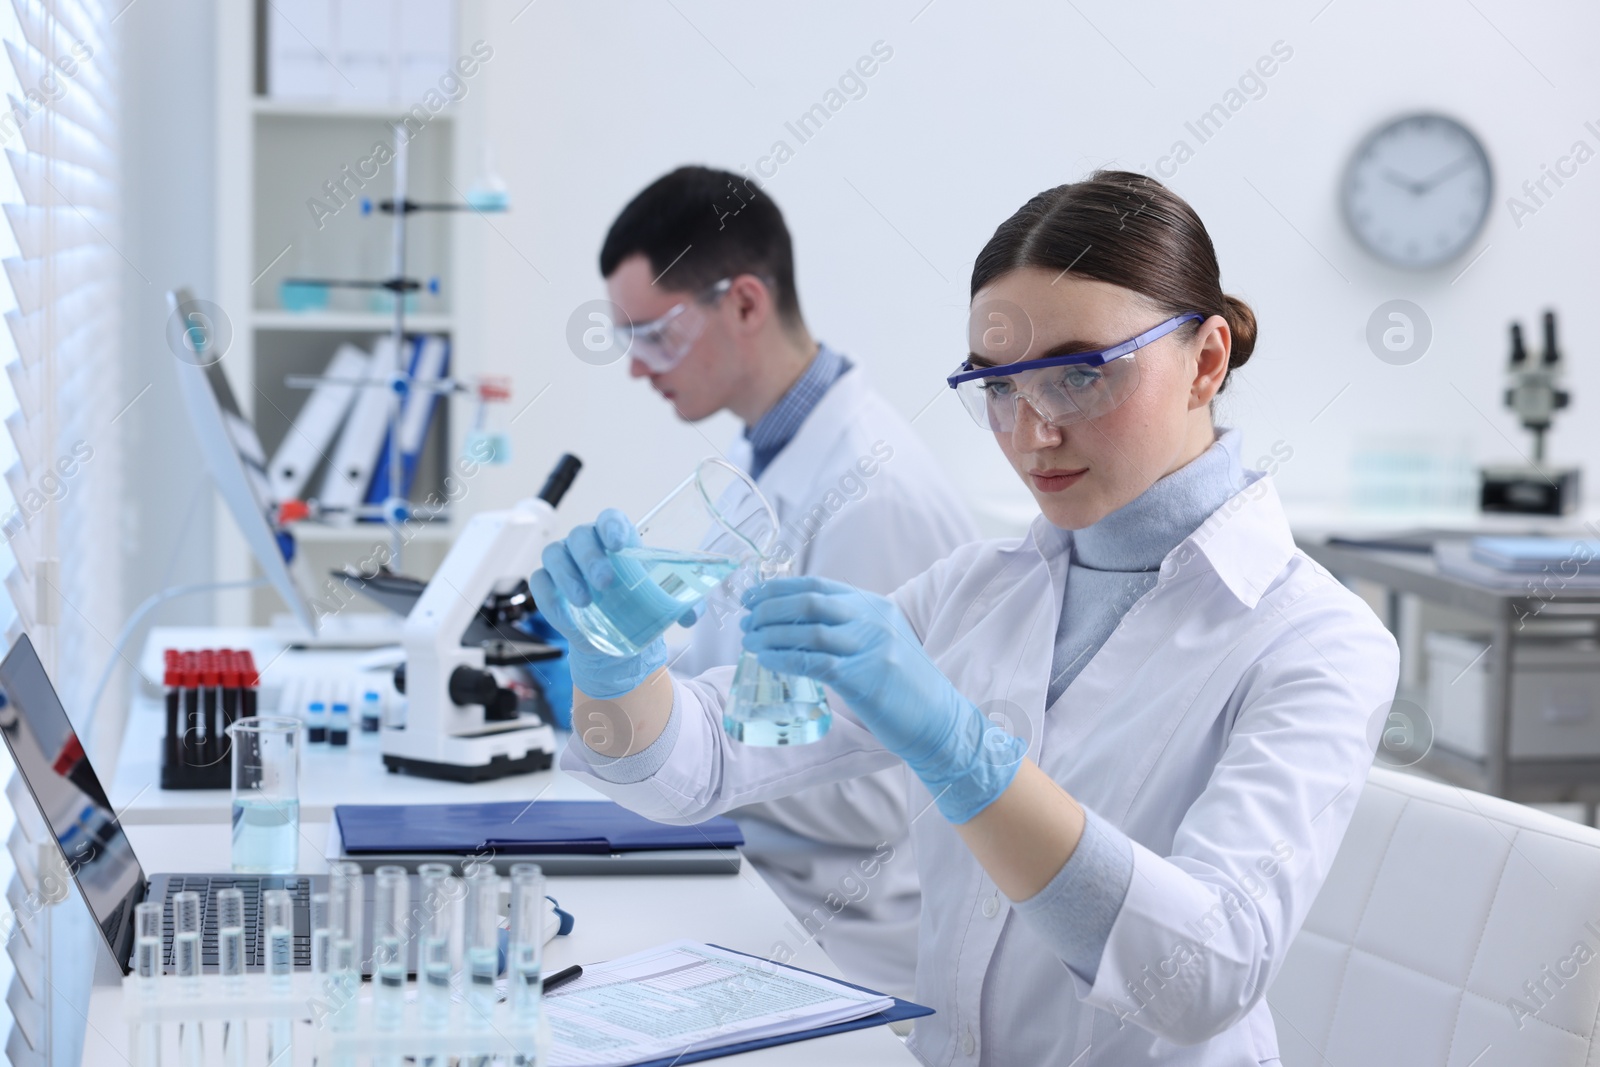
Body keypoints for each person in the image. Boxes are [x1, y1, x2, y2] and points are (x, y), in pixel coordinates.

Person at [535, 169, 1399, 1065]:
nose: (1032, 432)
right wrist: (618, 664)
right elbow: (700, 766)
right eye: (998, 387)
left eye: (1078, 374)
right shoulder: (976, 590)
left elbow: (1199, 979)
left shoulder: (1317, 641)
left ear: (1207, 360)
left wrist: (963, 752)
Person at [588, 165, 976, 999]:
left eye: (653, 335)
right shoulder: (758, 456)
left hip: (844, 935)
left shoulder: (875, 495)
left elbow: (877, 796)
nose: (637, 368)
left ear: (745, 305)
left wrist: (667, 734)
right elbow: (728, 669)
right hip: (752, 885)